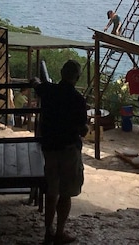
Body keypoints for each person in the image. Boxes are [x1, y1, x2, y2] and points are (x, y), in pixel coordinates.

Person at [32, 60, 88, 245]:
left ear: (61, 72)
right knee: (66, 193)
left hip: (49, 148)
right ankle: (60, 232)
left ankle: (48, 232)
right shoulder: (78, 100)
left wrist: (35, 81)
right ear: (77, 77)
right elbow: (82, 129)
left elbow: (37, 84)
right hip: (68, 149)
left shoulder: (48, 90)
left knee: (51, 191)